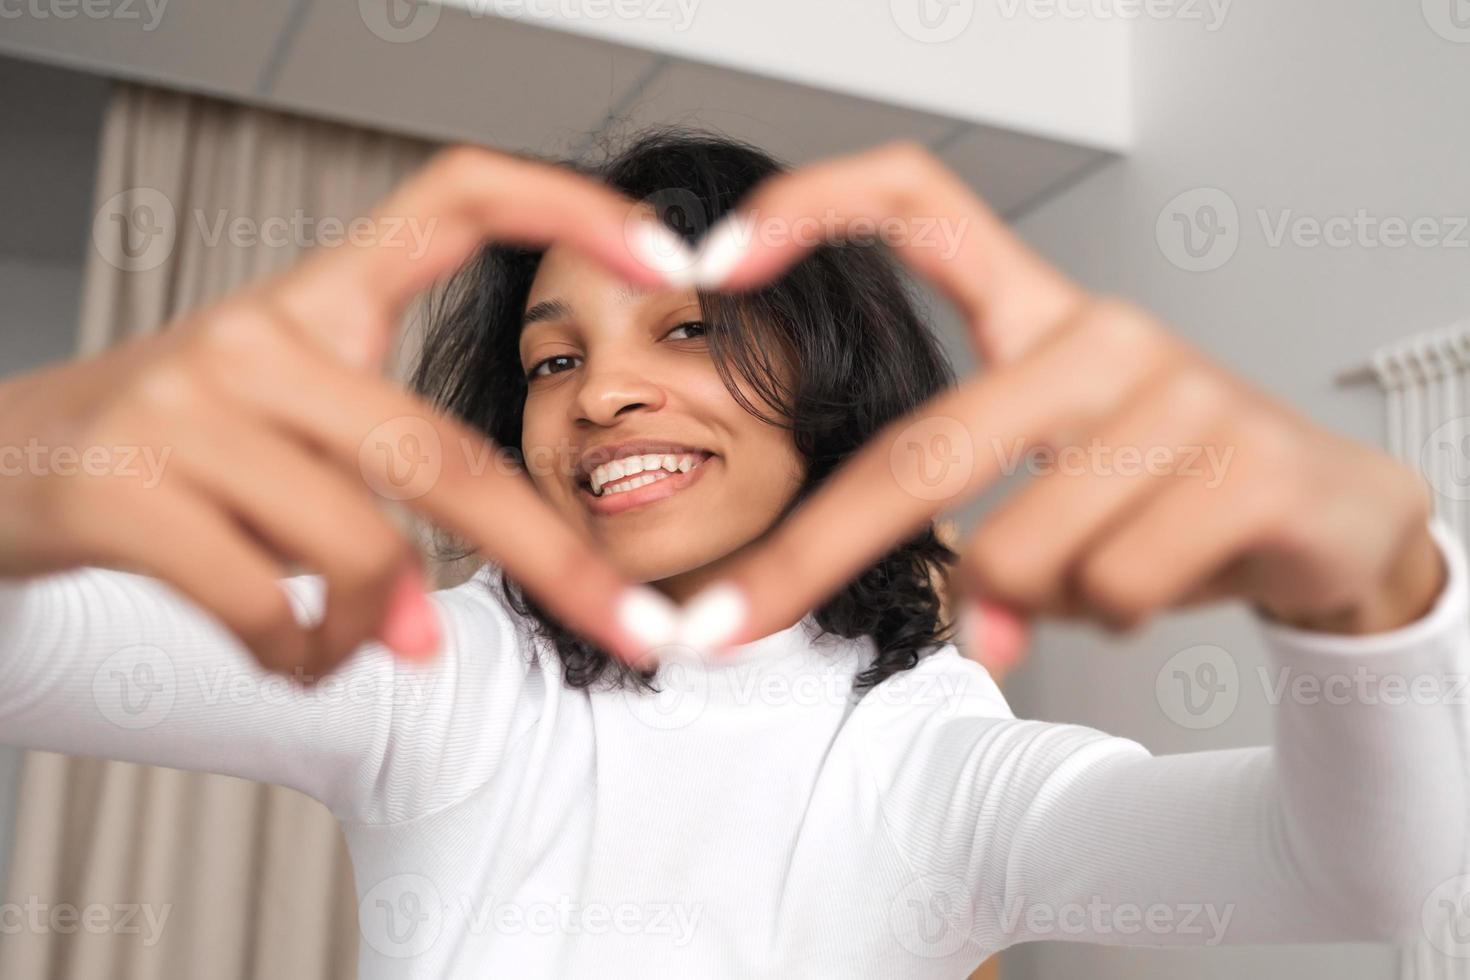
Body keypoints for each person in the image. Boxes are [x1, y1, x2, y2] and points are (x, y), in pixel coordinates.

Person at [0, 130, 1462, 979]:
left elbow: (1339, 879)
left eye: (682, 329)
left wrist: (1370, 605)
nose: (600, 395)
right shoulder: (451, 671)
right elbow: (42, 652)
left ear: (828, 376)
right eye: (550, 361)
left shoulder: (923, 748)